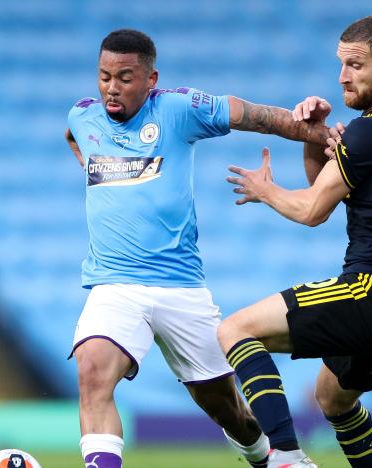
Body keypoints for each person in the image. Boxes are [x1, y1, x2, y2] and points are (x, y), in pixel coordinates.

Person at [65, 29, 331, 468]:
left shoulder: (178, 108)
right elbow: (74, 134)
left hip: (180, 287)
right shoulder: (83, 116)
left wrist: (314, 132)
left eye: (125, 78)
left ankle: (263, 456)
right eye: (104, 76)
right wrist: (87, 159)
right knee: (92, 373)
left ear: (151, 79)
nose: (112, 87)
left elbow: (255, 116)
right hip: (114, 285)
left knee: (227, 410)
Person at [218, 16, 372, 468]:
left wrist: (265, 191)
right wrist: (315, 140)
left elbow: (313, 210)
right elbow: (330, 187)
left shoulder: (371, 130)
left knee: (235, 330)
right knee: (333, 400)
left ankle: (287, 457)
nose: (343, 77)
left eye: (356, 65)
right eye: (341, 65)